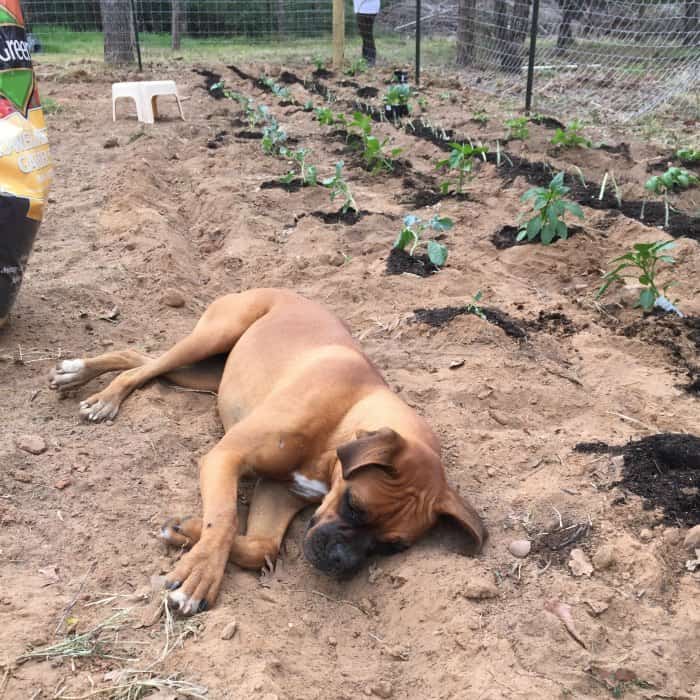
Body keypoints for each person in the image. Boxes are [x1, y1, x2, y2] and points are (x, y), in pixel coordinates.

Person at [354, 0, 380, 66]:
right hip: (365, 8)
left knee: (367, 35)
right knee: (366, 35)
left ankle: (370, 60)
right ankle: (366, 58)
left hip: (365, 8)